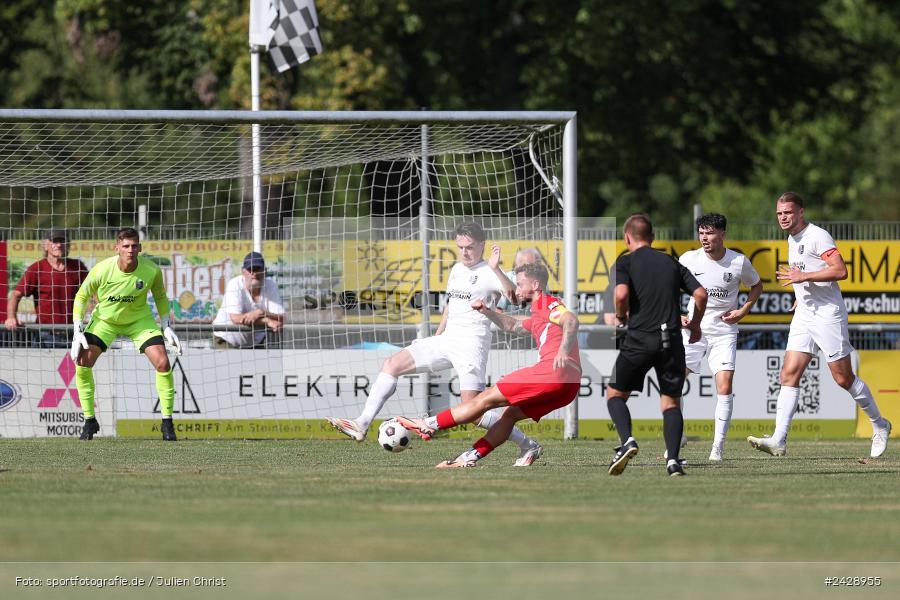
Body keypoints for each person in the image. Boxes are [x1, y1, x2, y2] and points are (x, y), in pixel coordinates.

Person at [326, 221, 544, 466]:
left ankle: (528, 444)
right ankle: (362, 423)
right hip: (446, 339)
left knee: (472, 411)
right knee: (391, 364)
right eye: (460, 246)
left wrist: (496, 270)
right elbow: (451, 305)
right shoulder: (457, 269)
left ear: (481, 245)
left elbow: (515, 296)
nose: (464, 252)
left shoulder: (489, 271)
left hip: (472, 345)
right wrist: (438, 333)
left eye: (470, 247)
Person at [748, 192, 891, 458]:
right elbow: (803, 274)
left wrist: (804, 277)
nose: (783, 218)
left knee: (842, 378)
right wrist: (798, 295)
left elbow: (840, 270)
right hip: (804, 314)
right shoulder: (791, 238)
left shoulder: (818, 235)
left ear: (801, 212)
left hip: (827, 315)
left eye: (788, 213)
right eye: (779, 213)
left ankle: (879, 425)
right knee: (788, 374)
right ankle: (779, 439)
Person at [396, 262, 580, 468]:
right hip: (569, 387)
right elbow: (514, 325)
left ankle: (428, 424)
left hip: (552, 373)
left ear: (536, 284)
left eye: (520, 284)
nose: (516, 289)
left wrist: (563, 351)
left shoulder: (547, 302)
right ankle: (468, 458)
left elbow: (571, 321)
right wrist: (487, 311)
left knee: (483, 399)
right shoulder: (539, 313)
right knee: (509, 415)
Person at [605, 214, 707, 477]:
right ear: (652, 238)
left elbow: (621, 294)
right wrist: (695, 325)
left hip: (639, 339)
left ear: (627, 237)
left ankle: (627, 440)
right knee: (671, 403)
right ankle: (673, 460)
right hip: (671, 341)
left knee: (615, 395)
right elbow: (700, 294)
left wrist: (620, 316)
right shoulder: (670, 262)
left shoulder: (624, 262)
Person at [70, 227, 182, 441]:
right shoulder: (102, 269)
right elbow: (81, 296)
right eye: (126, 246)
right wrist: (78, 328)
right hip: (106, 321)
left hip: (139, 321)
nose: (130, 250)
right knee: (83, 362)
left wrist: (166, 324)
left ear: (140, 248)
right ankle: (89, 420)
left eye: (134, 246)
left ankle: (167, 423)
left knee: (163, 363)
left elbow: (159, 295)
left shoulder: (151, 270)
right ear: (117, 248)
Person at [679, 213, 763, 461]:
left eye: (710, 233)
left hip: (724, 331)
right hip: (694, 328)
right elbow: (668, 286)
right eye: (702, 233)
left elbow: (757, 285)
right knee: (674, 381)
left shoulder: (738, 262)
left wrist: (743, 310)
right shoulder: (688, 259)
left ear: (722, 234)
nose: (705, 238)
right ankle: (677, 436)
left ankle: (718, 447)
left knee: (724, 386)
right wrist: (677, 314)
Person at [5, 229, 88, 348]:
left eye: (62, 241)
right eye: (54, 241)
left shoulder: (78, 267)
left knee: (75, 367)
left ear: (68, 244)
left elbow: (95, 291)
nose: (59, 245)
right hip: (45, 335)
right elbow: (15, 295)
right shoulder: (37, 268)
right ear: (45, 245)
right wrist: (11, 317)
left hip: (74, 334)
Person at [212, 252, 284, 349]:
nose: (254, 273)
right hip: (227, 340)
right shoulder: (234, 284)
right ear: (243, 271)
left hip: (255, 343)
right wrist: (267, 321)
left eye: (257, 268)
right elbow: (236, 319)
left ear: (264, 271)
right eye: (250, 269)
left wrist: (260, 313)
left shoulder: (271, 285)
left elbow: (281, 317)